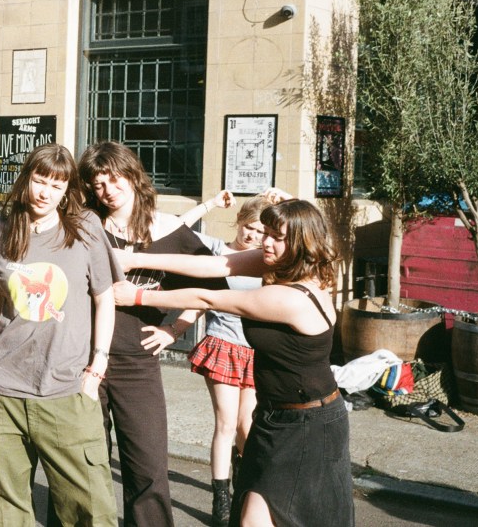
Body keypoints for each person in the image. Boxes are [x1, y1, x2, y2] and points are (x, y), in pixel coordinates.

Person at [113, 200, 354, 527]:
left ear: (301, 242)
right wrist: (135, 259)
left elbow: (208, 297)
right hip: (275, 416)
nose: (265, 242)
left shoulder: (291, 297)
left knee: (260, 519)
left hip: (308, 424)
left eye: (277, 237)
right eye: (266, 233)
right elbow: (216, 266)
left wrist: (139, 296)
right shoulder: (280, 263)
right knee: (254, 516)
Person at [0, 144, 118, 526]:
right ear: (26, 179)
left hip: (67, 390)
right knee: (6, 513)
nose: (45, 193)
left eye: (57, 186)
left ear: (68, 190)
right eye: (40, 181)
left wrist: (97, 367)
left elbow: (105, 298)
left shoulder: (85, 228)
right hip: (2, 393)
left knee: (91, 511)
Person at [77, 141, 227, 527]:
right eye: (97, 184)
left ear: (132, 175)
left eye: (113, 179)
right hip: (81, 359)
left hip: (136, 363)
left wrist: (174, 329)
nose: (107, 190)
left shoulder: (168, 229)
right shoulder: (85, 227)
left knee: (147, 466)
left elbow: (213, 288)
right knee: (82, 466)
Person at [165, 189, 290, 525]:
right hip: (223, 345)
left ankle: (247, 486)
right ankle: (221, 500)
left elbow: (308, 236)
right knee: (225, 423)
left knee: (247, 425)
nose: (254, 235)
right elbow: (176, 229)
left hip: (256, 351)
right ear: (239, 222)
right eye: (249, 227)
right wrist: (209, 204)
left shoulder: (269, 258)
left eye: (262, 231)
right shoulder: (218, 252)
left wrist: (286, 201)